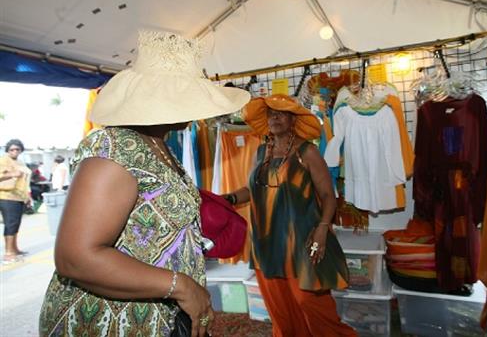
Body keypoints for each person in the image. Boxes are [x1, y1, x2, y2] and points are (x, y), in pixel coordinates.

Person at [38, 30, 250, 337]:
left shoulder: (157, 145)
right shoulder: (115, 150)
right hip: (106, 323)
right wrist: (180, 286)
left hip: (153, 318)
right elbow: (77, 257)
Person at [223, 94, 357, 336]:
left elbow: (328, 196)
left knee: (313, 305)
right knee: (280, 309)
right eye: (271, 113)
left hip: (302, 243)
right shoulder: (262, 151)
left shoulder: (307, 152)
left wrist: (322, 230)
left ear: (293, 119)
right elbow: (252, 190)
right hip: (265, 243)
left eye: (281, 113)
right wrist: (229, 199)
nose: (275, 117)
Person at [0, 139, 32, 263]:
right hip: (7, 196)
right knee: (10, 224)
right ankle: (8, 253)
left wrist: (27, 197)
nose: (14, 151)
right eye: (12, 149)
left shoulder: (20, 162)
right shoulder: (3, 160)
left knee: (15, 224)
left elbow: (23, 182)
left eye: (17, 149)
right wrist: (12, 173)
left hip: (19, 196)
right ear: (7, 150)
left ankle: (15, 249)